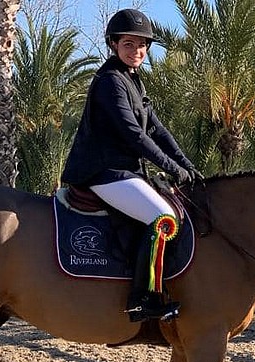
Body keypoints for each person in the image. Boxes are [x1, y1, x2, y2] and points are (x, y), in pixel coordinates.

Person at [62, 7, 203, 322]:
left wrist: (186, 165)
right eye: (128, 44)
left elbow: (158, 129)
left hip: (125, 172)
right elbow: (134, 136)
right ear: (114, 45)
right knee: (162, 218)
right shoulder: (110, 81)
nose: (136, 51)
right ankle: (142, 299)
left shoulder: (133, 81)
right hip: (104, 172)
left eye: (141, 45)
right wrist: (171, 168)